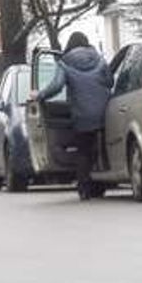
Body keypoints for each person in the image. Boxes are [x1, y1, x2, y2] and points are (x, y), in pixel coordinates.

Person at [32, 32, 113, 200]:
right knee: (102, 146)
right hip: (105, 112)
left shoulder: (65, 62)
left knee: (83, 150)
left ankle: (84, 187)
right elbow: (110, 81)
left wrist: (39, 95)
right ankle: (102, 180)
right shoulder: (100, 59)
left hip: (82, 115)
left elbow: (57, 86)